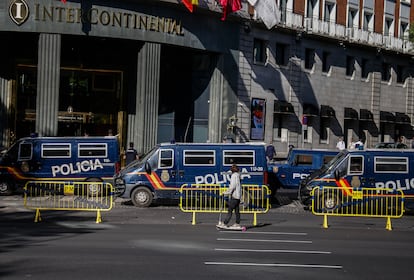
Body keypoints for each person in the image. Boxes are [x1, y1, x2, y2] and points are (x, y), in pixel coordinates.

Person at [220, 164, 242, 228]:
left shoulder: (233, 176)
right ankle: (237, 223)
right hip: (238, 196)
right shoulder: (238, 175)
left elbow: (232, 186)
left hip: (235, 196)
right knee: (237, 211)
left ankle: (224, 223)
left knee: (230, 210)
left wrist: (226, 192)